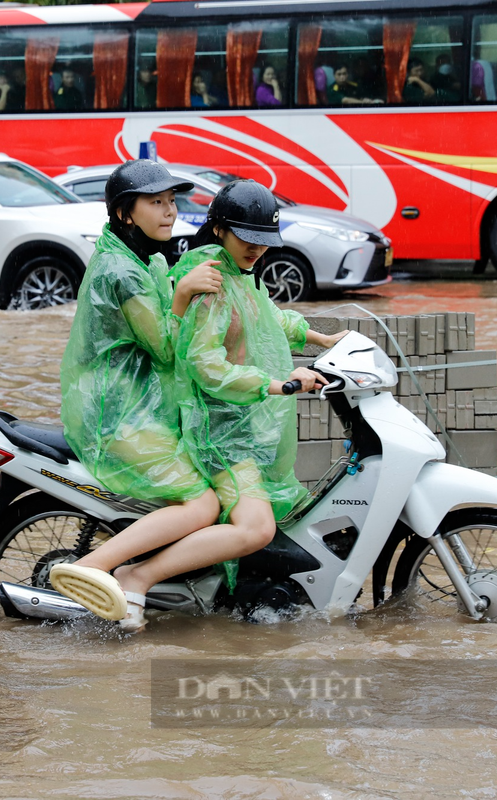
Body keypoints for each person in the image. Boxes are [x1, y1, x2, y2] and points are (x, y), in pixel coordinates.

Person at [48, 160, 226, 633]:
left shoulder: (145, 257)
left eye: (171, 201)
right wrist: (185, 293)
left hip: (140, 405)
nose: (170, 212)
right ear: (126, 213)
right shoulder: (121, 272)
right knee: (203, 504)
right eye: (156, 202)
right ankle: (103, 567)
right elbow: (166, 346)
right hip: (116, 416)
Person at [153, 181, 347, 611]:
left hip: (245, 429)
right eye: (248, 237)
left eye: (264, 241)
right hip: (217, 436)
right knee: (258, 529)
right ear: (219, 228)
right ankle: (138, 575)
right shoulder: (211, 281)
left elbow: (268, 315)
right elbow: (204, 365)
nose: (257, 248)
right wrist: (277, 384)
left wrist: (320, 338)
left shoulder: (238, 273)